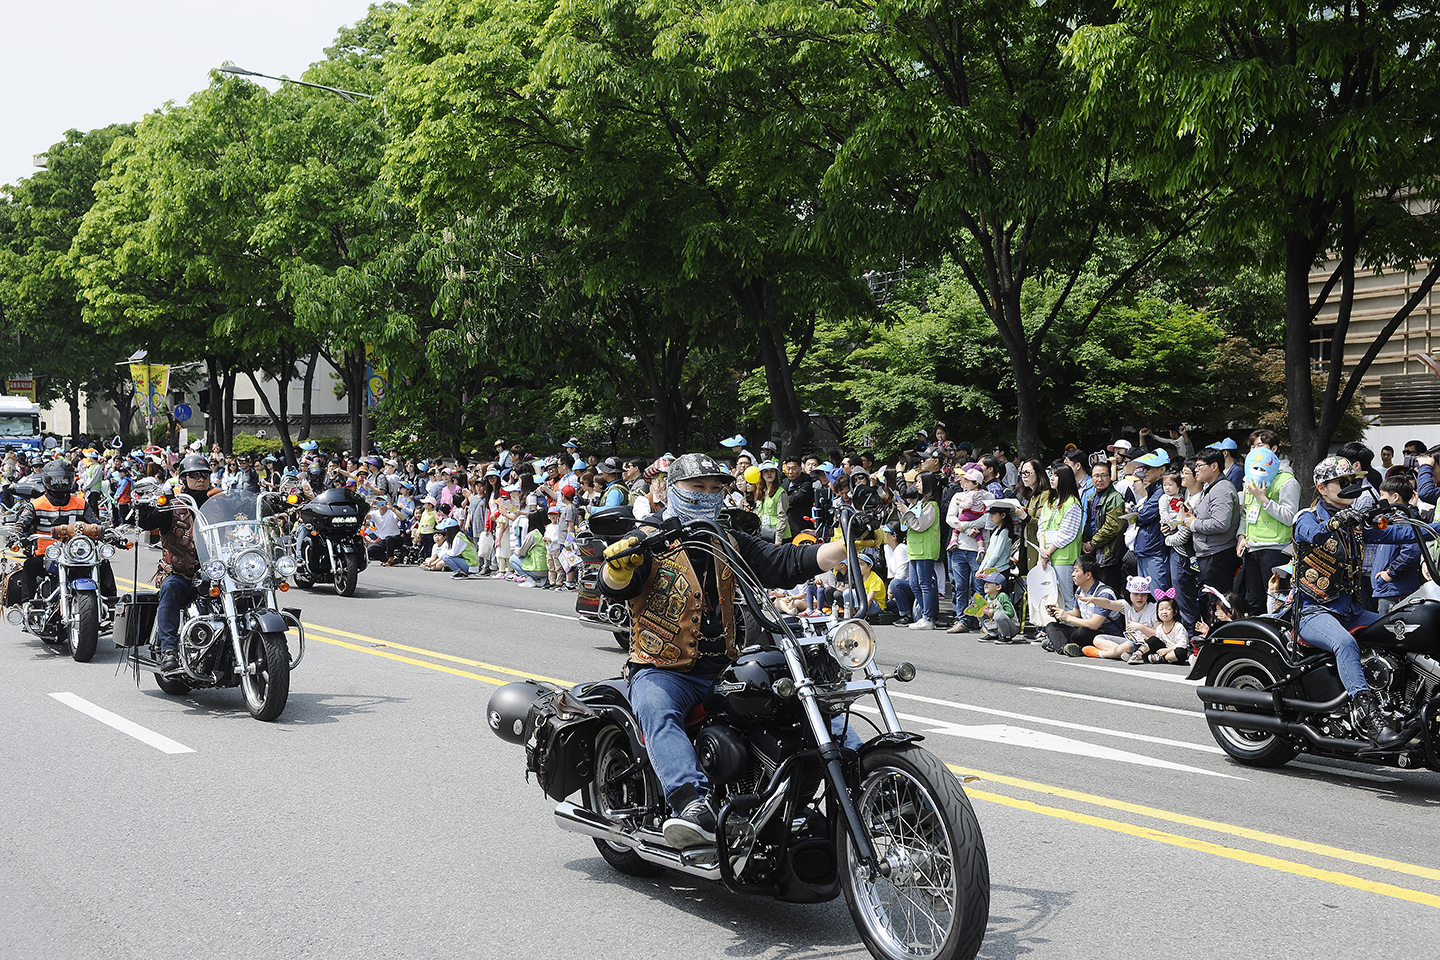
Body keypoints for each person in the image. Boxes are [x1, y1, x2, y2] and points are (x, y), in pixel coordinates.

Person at [600, 452, 846, 848]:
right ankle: (690, 804)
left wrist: (844, 548)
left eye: (715, 488)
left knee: (801, 699)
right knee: (656, 708)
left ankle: (852, 787)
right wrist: (618, 567)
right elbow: (615, 585)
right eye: (697, 487)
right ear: (670, 489)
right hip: (665, 669)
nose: (707, 495)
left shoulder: (726, 540)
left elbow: (785, 561)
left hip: (724, 669)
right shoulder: (647, 539)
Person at [1292, 456, 1409, 748]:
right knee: (1345, 644)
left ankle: (1405, 706)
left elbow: (1395, 532)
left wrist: (1432, 525)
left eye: (1353, 481)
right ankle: (1367, 715)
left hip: (1352, 611)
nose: (1350, 486)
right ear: (1321, 488)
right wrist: (1336, 521)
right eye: (1342, 482)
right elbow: (1310, 535)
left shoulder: (1355, 523)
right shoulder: (1309, 517)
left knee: (1406, 626)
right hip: (1313, 611)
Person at [133, 454, 218, 674]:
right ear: (183, 479)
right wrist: (144, 506)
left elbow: (244, 511)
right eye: (195, 475)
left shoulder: (219, 503)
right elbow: (149, 522)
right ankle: (169, 650)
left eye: (205, 475)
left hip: (217, 574)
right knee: (170, 589)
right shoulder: (172, 504)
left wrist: (270, 503)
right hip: (182, 574)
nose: (201, 479)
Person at [7, 460, 115, 610]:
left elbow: (95, 523)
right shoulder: (36, 505)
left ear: (70, 480)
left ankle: (111, 604)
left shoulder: (81, 504)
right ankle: (27, 604)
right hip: (47, 555)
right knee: (29, 565)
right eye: (55, 480)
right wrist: (16, 536)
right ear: (46, 480)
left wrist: (109, 534)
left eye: (64, 480)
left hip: (76, 554)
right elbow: (20, 524)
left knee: (102, 562)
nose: (60, 484)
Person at [1236, 446, 1299, 616]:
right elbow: (1247, 513)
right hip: (1251, 548)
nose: (1256, 451)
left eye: (1261, 446)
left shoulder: (1287, 481)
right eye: (1253, 447)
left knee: (1277, 600)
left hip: (1275, 549)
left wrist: (1263, 499)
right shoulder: (1249, 478)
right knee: (1254, 602)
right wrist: (1241, 536)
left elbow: (1290, 517)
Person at [1181, 448, 1241, 594]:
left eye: (1200, 466)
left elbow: (1220, 523)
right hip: (1210, 553)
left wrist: (1194, 523)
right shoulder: (1210, 486)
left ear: (1214, 466)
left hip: (1218, 554)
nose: (1196, 470)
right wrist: (1192, 515)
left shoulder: (1222, 489)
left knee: (1221, 601)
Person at [1041, 555, 1123, 656]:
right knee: (1052, 626)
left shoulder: (1104, 593)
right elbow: (1076, 613)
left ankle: (1058, 644)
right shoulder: (1080, 590)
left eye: (1076, 571)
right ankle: (1064, 648)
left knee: (1081, 633)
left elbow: (1094, 624)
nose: (1072, 574)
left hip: (1105, 635)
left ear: (1088, 575)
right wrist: (1060, 612)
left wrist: (1067, 618)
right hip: (1088, 630)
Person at [1371, 476, 1421, 615]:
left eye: (1382, 495)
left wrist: (1389, 574)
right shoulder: (1395, 518)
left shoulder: (1404, 520)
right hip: (1389, 589)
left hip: (1396, 590)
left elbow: (1411, 552)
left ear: (1395, 497)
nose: (1380, 499)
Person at [902, 471, 942, 630]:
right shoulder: (920, 503)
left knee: (925, 584)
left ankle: (928, 617)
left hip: (925, 549)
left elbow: (919, 525)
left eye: (919, 481)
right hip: (915, 549)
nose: (916, 485)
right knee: (914, 584)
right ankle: (925, 614)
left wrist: (906, 512)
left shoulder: (932, 505)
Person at [1130, 450, 1172, 591]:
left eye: (1148, 467)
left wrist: (1137, 512)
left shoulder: (1161, 492)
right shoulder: (1154, 490)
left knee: (1160, 597)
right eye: (1143, 468)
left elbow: (1143, 516)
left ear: (1162, 470)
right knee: (1146, 597)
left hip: (1155, 552)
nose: (1144, 471)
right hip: (1147, 550)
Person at [366, 497, 405, 565]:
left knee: (389, 539)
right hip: (383, 540)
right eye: (379, 501)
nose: (381, 503)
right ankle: (386, 559)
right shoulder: (374, 513)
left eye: (382, 501)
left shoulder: (391, 513)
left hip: (396, 538)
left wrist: (392, 508)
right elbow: (364, 516)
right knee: (369, 551)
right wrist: (370, 507)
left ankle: (391, 558)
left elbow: (402, 518)